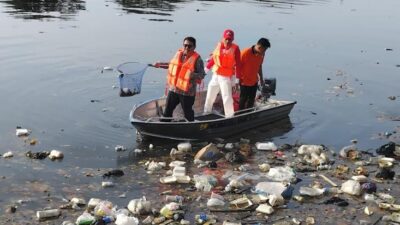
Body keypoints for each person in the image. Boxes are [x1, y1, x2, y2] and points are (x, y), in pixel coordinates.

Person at [153, 36, 206, 122]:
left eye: (190, 46)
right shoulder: (179, 54)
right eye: (185, 45)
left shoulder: (197, 59)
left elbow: (202, 74)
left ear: (194, 47)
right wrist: (160, 64)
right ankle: (164, 126)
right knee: (167, 111)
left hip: (187, 92)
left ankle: (191, 129)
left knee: (188, 113)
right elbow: (171, 65)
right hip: (174, 89)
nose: (187, 48)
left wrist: (191, 74)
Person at [203, 29, 241, 118]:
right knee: (210, 94)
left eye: (230, 39)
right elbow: (213, 59)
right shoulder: (219, 45)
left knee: (227, 97)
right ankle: (206, 112)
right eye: (226, 39)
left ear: (233, 39)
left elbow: (238, 65)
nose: (228, 41)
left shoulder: (235, 48)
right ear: (223, 38)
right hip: (216, 75)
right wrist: (205, 70)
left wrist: (237, 80)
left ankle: (229, 116)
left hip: (226, 76)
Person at [239, 38, 271, 110]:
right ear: (260, 47)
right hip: (244, 81)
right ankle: (240, 116)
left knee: (251, 100)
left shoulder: (261, 54)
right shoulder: (245, 52)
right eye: (264, 50)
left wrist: (261, 79)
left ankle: (248, 115)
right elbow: (237, 66)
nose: (264, 52)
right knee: (242, 100)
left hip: (254, 81)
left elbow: (259, 66)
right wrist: (236, 80)